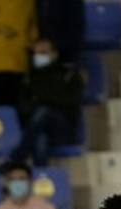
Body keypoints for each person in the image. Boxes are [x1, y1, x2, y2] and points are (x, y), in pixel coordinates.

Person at [8, 39, 83, 168]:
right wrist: (49, 99)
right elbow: (23, 107)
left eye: (43, 52)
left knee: (44, 111)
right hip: (37, 128)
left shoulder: (69, 74)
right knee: (40, 138)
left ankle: (16, 159)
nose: (38, 56)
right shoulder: (29, 78)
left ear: (54, 54)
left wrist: (42, 100)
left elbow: (70, 101)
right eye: (36, 53)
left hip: (63, 129)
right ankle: (40, 175)